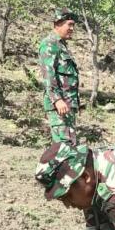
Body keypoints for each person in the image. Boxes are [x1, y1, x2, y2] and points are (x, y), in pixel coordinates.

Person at [38, 9, 80, 144]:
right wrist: (57, 100)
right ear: (58, 24)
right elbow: (48, 75)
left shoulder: (61, 45)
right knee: (64, 147)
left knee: (68, 146)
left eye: (73, 25)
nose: (72, 29)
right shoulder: (49, 44)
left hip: (67, 104)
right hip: (60, 105)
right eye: (69, 24)